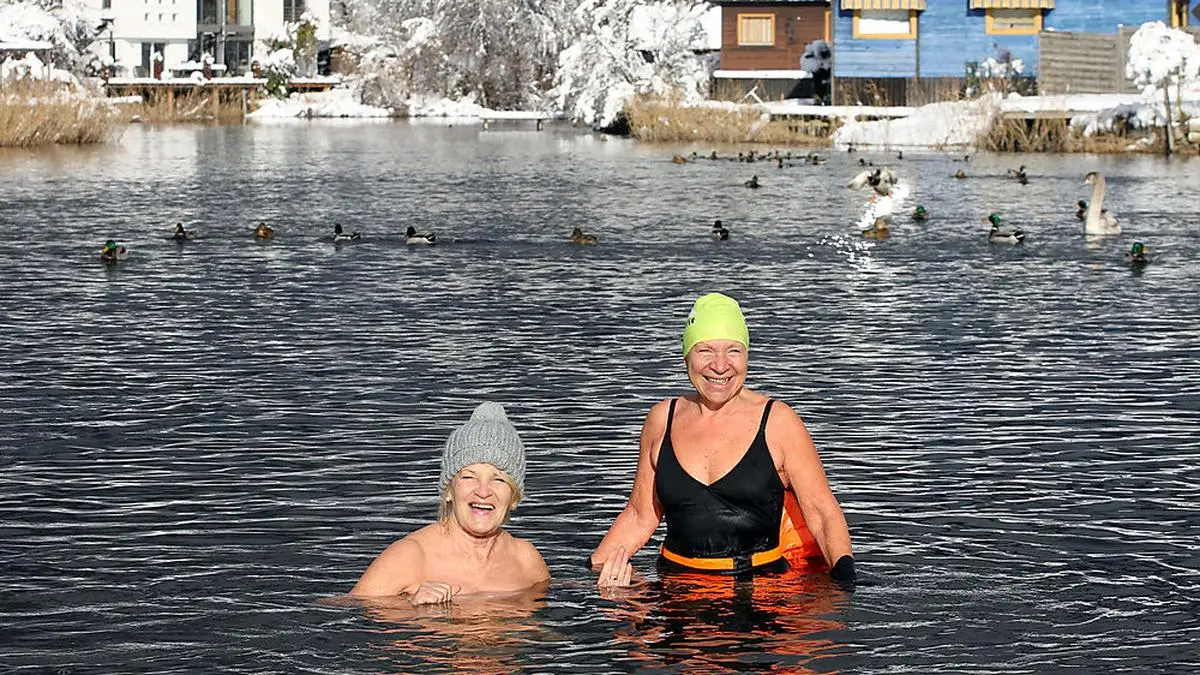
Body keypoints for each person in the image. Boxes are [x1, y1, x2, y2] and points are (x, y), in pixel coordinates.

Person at [590, 293, 855, 588]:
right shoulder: (661, 419)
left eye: (733, 351)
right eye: (705, 350)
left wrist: (845, 582)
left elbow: (822, 513)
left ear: (747, 356)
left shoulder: (778, 422)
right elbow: (640, 515)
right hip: (676, 589)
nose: (720, 365)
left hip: (758, 593)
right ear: (686, 355)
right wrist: (590, 573)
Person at [350, 402, 549, 604]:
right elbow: (345, 611)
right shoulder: (410, 556)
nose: (483, 491)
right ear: (449, 491)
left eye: (498, 479)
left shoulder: (526, 559)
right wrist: (407, 607)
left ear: (514, 497)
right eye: (468, 477)